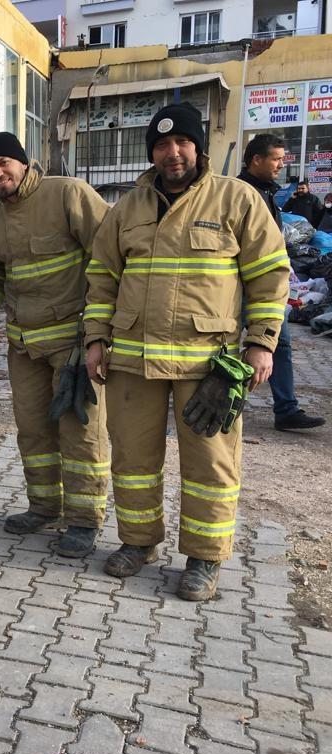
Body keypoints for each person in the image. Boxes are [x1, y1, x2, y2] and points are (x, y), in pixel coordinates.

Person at [84, 102, 289, 601]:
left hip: (209, 365)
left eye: (182, 143)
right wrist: (94, 339)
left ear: (199, 147)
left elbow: (269, 275)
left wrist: (261, 344)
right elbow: (102, 279)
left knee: (210, 466)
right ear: (151, 151)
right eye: (161, 144)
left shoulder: (235, 200)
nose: (172, 153)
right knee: (132, 458)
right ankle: (138, 542)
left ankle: (204, 557)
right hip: (132, 360)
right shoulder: (126, 209)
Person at [0, 132, 111, 558]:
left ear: (24, 162)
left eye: (3, 162)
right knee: (34, 430)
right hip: (24, 348)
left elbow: (110, 258)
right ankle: (44, 506)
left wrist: (98, 330)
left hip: (74, 345)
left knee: (80, 432)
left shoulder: (67, 195)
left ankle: (83, 520)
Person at [237, 134, 325, 432]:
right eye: (276, 159)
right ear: (256, 160)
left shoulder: (267, 193)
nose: (281, 165)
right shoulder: (239, 193)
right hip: (239, 288)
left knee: (280, 344)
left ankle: (286, 409)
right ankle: (211, 399)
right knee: (221, 345)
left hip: (266, 289)